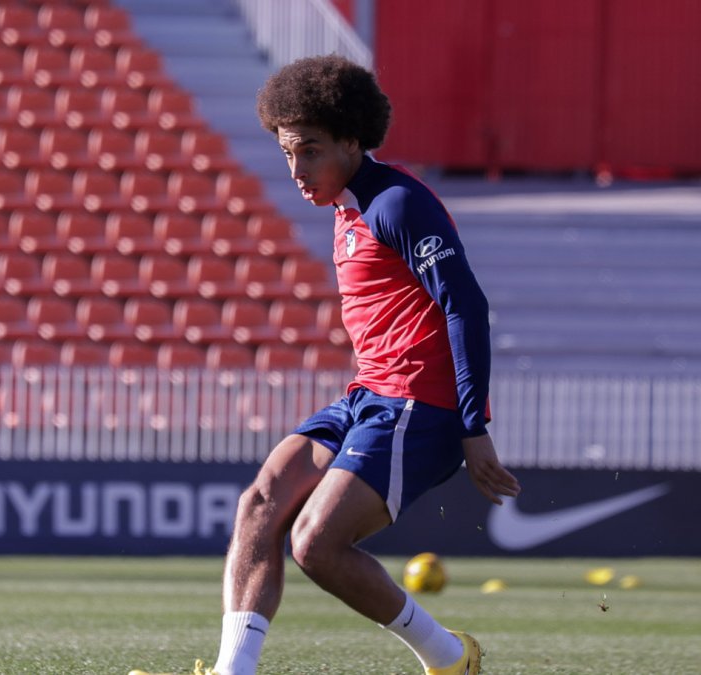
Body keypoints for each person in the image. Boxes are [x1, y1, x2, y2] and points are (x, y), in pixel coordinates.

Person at [135, 55, 522, 675]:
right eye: (288, 153)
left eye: (309, 151)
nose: (296, 169)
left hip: (419, 407)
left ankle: (449, 658)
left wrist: (474, 426)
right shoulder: (346, 208)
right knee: (259, 503)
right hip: (371, 396)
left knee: (315, 544)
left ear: (350, 138)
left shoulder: (396, 204)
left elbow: (466, 307)